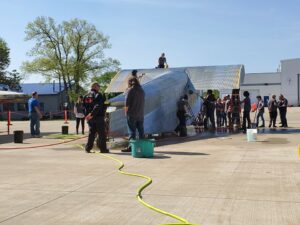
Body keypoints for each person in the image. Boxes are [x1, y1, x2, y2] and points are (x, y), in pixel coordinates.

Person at [83, 82, 108, 153]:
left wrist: (87, 116)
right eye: (99, 86)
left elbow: (83, 107)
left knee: (92, 133)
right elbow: (98, 106)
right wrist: (91, 114)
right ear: (95, 87)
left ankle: (88, 148)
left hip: (90, 118)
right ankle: (103, 149)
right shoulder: (98, 95)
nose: (99, 88)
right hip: (98, 117)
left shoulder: (86, 96)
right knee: (101, 133)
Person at [122, 75, 145, 152]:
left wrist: (126, 113)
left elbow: (127, 104)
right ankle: (142, 146)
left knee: (132, 131)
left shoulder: (130, 90)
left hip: (132, 114)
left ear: (129, 82)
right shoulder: (142, 90)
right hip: (140, 114)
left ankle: (131, 147)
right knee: (141, 131)